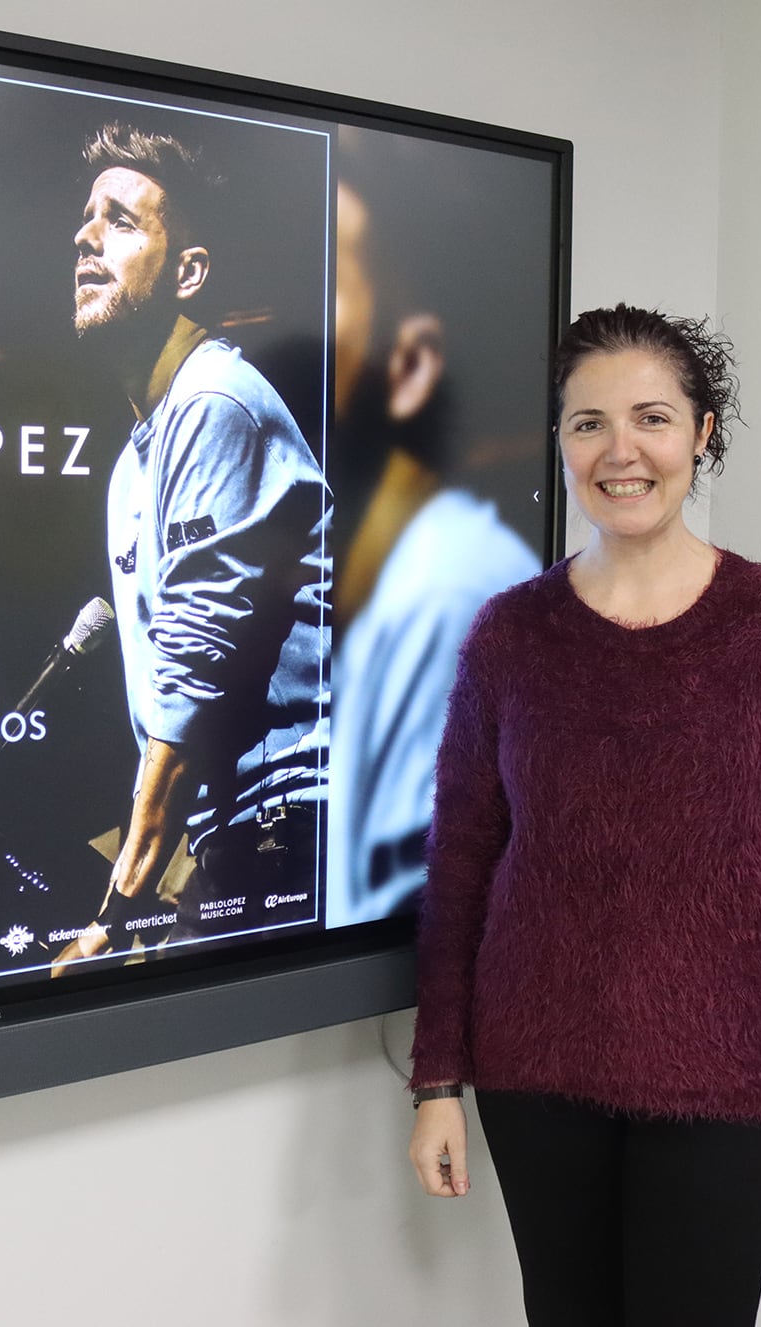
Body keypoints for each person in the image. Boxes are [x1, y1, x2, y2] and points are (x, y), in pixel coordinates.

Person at [406, 305, 761, 1326]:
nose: (621, 452)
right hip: (536, 1072)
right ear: (561, 441)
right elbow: (463, 863)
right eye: (587, 424)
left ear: (701, 433)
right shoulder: (511, 634)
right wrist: (437, 1075)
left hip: (728, 1080)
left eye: (651, 418)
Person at [56, 122, 330, 966]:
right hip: (233, 830)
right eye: (86, 218)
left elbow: (190, 671)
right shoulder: (133, 462)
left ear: (190, 270)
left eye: (121, 221)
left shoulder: (218, 403)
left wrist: (120, 905)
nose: (85, 238)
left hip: (293, 816)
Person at [324, 143, 542, 927]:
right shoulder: (373, 575)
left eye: (325, 282)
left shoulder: (452, 594)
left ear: (411, 365)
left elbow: (413, 939)